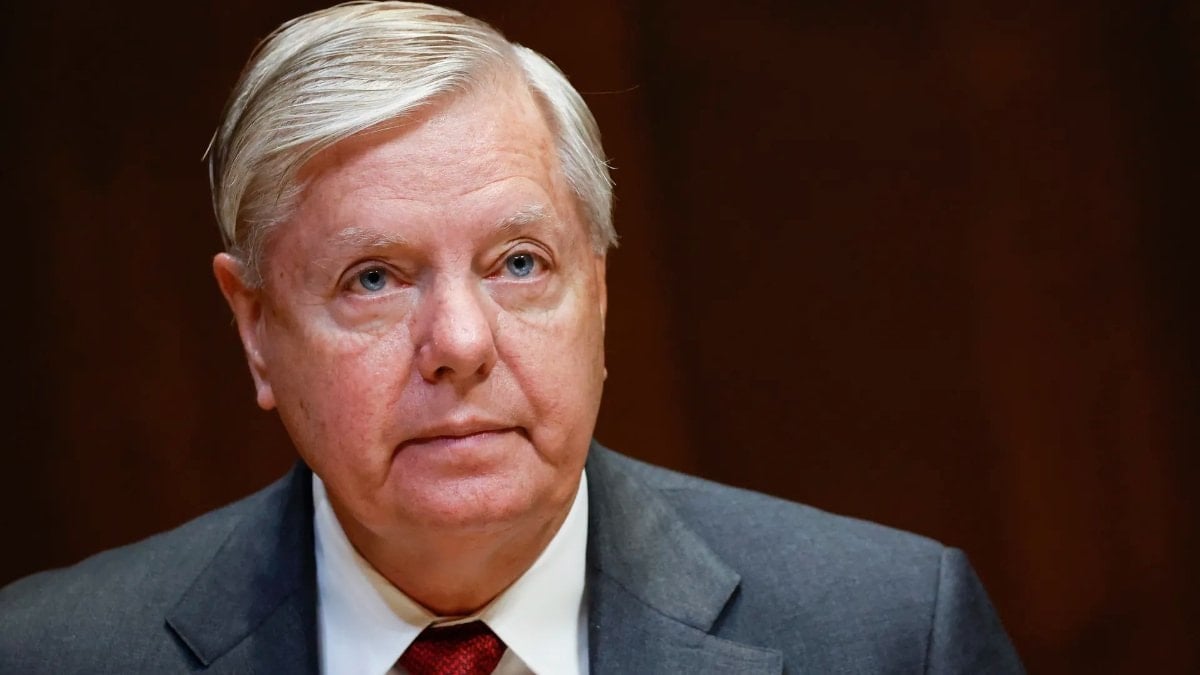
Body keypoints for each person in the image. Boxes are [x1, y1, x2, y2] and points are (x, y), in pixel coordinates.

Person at [0, 2, 1023, 673]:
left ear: (599, 293)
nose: (459, 341)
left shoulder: (891, 635)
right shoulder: (49, 655)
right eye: (373, 277)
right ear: (256, 328)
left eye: (520, 264)